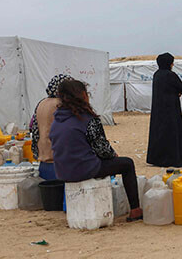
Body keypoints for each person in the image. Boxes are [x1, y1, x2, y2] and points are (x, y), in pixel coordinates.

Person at [49, 79, 143, 221]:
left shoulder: (57, 120)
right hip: (83, 169)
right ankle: (135, 210)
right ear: (83, 95)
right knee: (127, 164)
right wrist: (113, 156)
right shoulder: (87, 119)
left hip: (62, 170)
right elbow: (102, 149)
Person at [146, 53, 182, 167]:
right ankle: (172, 159)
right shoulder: (171, 75)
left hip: (158, 110)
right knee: (172, 133)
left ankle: (157, 159)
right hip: (171, 109)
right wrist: (177, 92)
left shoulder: (157, 75)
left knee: (159, 133)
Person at [28, 74, 73, 180]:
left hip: (44, 162)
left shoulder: (41, 103)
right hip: (60, 163)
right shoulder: (62, 105)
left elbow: (34, 131)